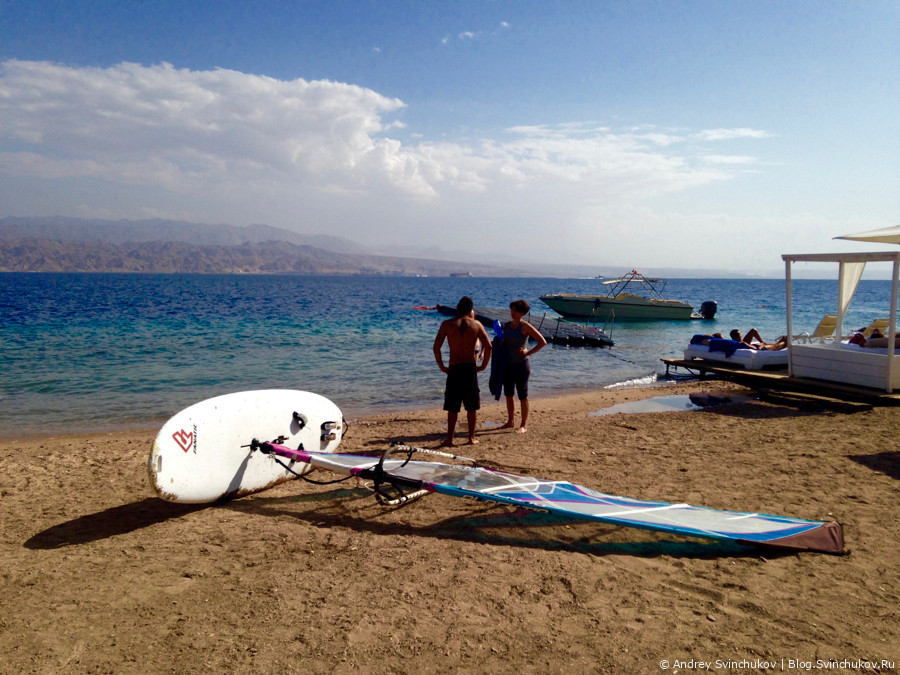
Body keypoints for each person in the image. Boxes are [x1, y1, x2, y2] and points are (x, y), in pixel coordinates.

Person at [433, 296, 492, 446]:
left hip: (454, 368)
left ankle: (450, 439)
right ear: (471, 310)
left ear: (458, 308)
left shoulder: (447, 324)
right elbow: (489, 346)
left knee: (452, 407)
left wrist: (441, 366)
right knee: (471, 406)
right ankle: (471, 438)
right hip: (470, 368)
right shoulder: (476, 324)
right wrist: (484, 365)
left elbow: (436, 347)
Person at [499, 299, 547, 434]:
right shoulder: (506, 325)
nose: (512, 313)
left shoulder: (524, 326)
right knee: (508, 394)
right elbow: (500, 342)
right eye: (511, 310)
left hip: (521, 365)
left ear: (522, 313)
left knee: (523, 395)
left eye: (515, 310)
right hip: (508, 364)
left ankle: (523, 425)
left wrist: (528, 352)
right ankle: (510, 421)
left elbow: (542, 341)